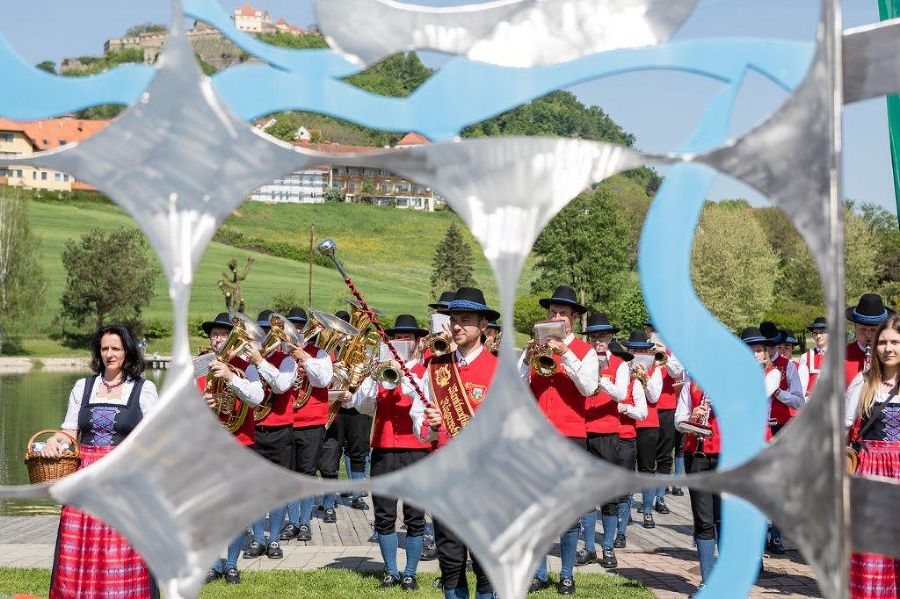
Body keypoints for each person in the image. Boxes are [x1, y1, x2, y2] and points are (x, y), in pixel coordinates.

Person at [43, 324, 160, 599]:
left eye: (115, 348)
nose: (109, 354)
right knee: (80, 547)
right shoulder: (83, 387)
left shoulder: (143, 389)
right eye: (104, 348)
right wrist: (53, 441)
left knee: (119, 548)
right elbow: (70, 432)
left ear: (127, 351)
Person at [408, 287, 499, 599]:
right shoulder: (435, 367)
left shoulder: (501, 369)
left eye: (466, 319)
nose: (458, 325)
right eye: (454, 319)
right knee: (450, 557)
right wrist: (430, 427)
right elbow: (418, 417)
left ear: (483, 326)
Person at [342, 314, 431, 590]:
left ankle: (411, 572)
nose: (401, 342)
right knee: (384, 514)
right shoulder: (381, 372)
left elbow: (423, 401)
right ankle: (391, 570)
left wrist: (402, 375)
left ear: (417, 343)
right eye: (396, 338)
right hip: (382, 447)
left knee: (415, 515)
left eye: (407, 338)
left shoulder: (424, 371)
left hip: (416, 449)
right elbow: (362, 405)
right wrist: (372, 376)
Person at [519, 285, 598, 595]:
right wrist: (526, 359)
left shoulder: (585, 351)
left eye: (563, 313)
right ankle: (539, 573)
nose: (556, 317)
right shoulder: (536, 348)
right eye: (552, 312)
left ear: (573, 320)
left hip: (570, 436)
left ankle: (566, 574)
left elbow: (589, 388)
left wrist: (567, 357)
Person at [197, 312, 265, 585]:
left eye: (224, 335)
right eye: (215, 334)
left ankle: (233, 564)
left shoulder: (246, 366)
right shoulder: (199, 366)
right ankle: (213, 564)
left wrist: (230, 377)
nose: (219, 339)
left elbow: (257, 397)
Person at [845, 315, 900, 598]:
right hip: (871, 473)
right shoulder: (863, 383)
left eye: (894, 342)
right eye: (882, 342)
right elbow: (843, 429)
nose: (888, 348)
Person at [242, 310, 298, 560]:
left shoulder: (287, 361)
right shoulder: (245, 360)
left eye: (271, 334)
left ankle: (274, 539)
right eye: (261, 333)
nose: (265, 339)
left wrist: (260, 362)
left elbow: (281, 386)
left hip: (279, 430)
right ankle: (257, 538)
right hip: (253, 430)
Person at [577, 313, 628, 568]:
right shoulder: (582, 362)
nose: (599, 341)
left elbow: (621, 394)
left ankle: (607, 547)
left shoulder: (620, 364)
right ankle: (588, 548)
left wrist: (603, 380)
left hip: (608, 432)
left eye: (603, 336)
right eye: (594, 336)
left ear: (610, 338)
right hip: (584, 430)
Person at [281, 308, 335, 541]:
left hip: (311, 422)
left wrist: (305, 358)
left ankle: (304, 522)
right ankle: (292, 522)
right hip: (284, 420)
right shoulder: (279, 354)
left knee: (307, 473)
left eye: (300, 327)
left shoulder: (320, 354)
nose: (296, 332)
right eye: (291, 327)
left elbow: (323, 380)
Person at [622, 332, 663, 529]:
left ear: (648, 351)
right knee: (628, 468)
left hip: (648, 423)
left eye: (641, 350)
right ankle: (626, 510)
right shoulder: (624, 366)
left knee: (647, 468)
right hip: (627, 421)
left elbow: (654, 397)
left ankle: (647, 510)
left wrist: (644, 377)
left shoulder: (655, 369)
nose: (637, 353)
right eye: (633, 349)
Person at [645, 321, 686, 503]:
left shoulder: (674, 350)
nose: (655, 332)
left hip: (667, 407)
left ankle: (660, 496)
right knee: (647, 455)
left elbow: (677, 371)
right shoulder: (643, 349)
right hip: (647, 408)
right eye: (652, 329)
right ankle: (648, 497)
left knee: (665, 454)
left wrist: (665, 354)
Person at [612, 340, 647, 547]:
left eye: (621, 362)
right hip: (603, 438)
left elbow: (642, 412)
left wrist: (626, 408)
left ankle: (621, 532)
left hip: (625, 438)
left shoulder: (633, 384)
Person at [846, 294, 892, 389]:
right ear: (855, 327)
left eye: (873, 330)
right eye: (862, 329)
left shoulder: (892, 355)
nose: (868, 335)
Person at [799, 317, 828, 400]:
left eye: (822, 332)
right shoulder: (805, 357)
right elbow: (801, 384)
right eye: (815, 333)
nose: (818, 336)